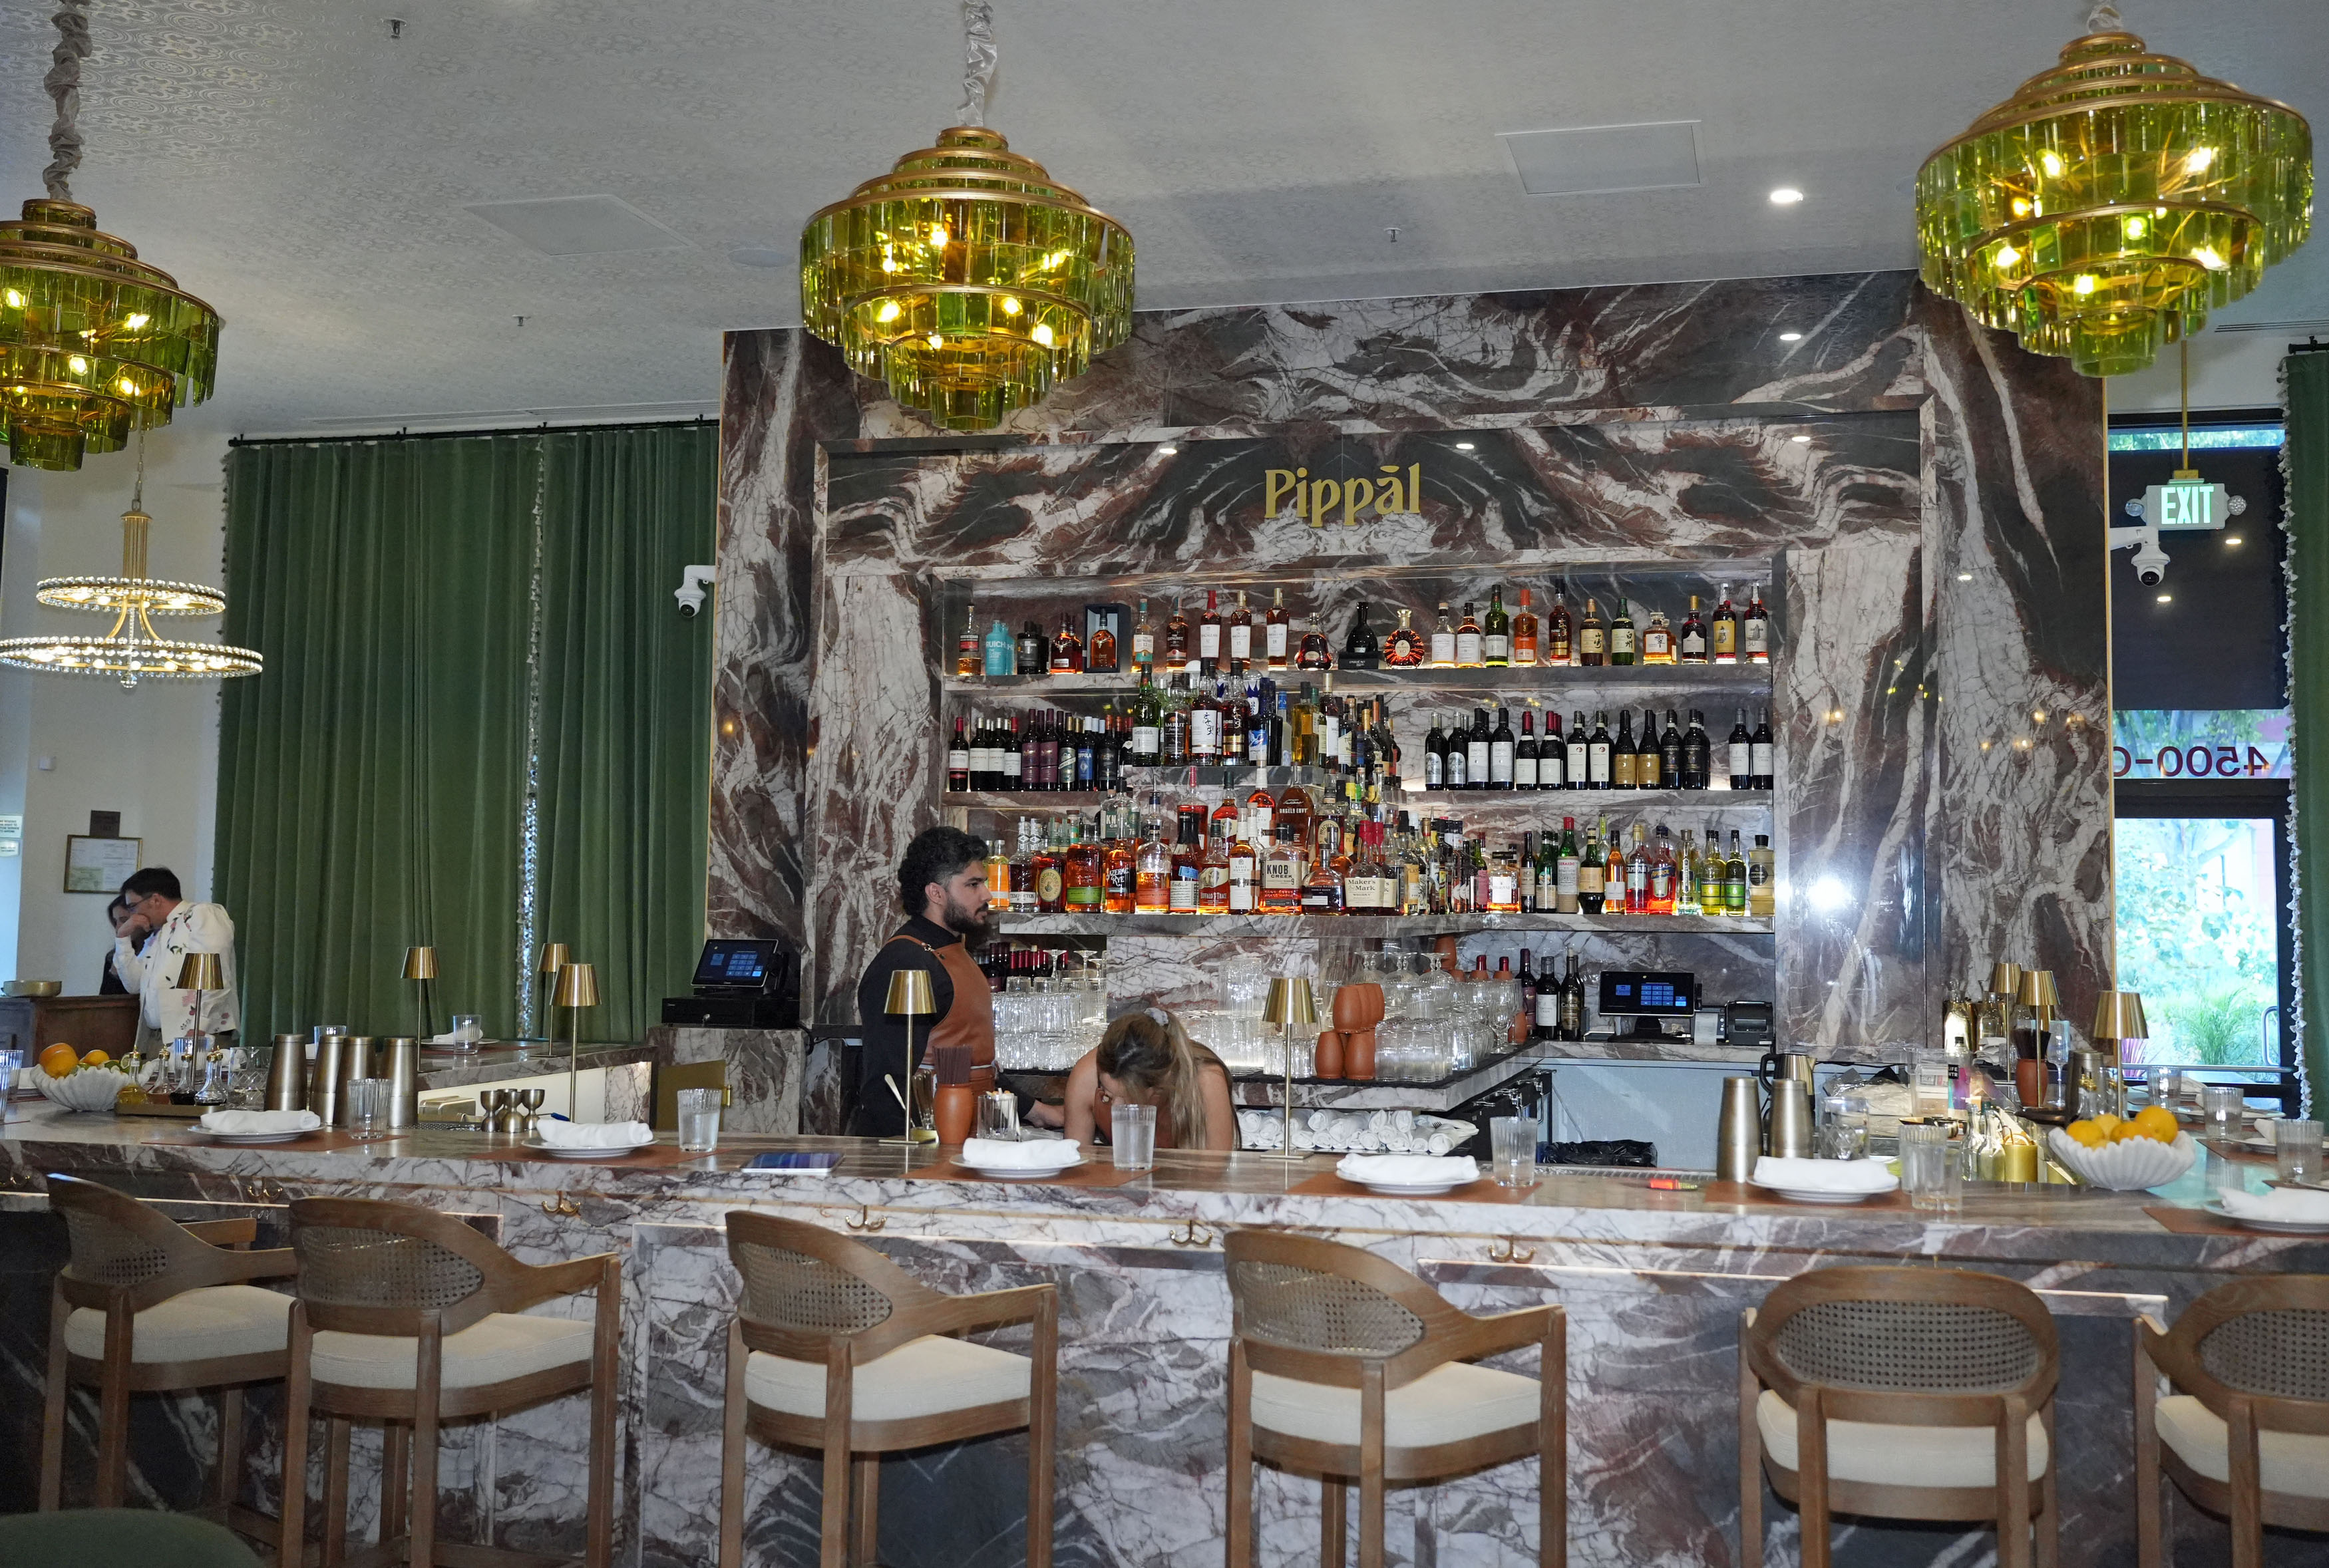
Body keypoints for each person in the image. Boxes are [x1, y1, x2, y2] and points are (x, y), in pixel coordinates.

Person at [852, 826, 995, 1137]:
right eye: (973, 885)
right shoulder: (907, 961)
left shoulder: (951, 950)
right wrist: (916, 1156)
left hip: (960, 1136)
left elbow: (973, 1062)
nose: (987, 895)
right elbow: (888, 1084)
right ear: (936, 893)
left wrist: (1037, 1112)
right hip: (923, 1143)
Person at [1058, 1007, 1236, 1153]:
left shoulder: (1206, 1079)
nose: (1116, 1108)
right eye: (1107, 1095)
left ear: (1161, 1085)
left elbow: (1215, 1174)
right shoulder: (1086, 1075)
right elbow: (1076, 1165)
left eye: (1127, 1099)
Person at [113, 867, 239, 1055]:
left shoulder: (202, 914)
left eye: (133, 906)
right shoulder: (158, 934)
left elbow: (215, 974)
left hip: (199, 1035)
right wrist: (123, 937)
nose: (133, 914)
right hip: (159, 1038)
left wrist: (199, 1027)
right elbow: (133, 984)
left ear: (155, 900)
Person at [99, 895, 135, 994]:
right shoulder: (112, 956)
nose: (118, 928)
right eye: (115, 922)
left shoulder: (153, 951)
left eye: (124, 920)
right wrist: (113, 975)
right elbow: (105, 997)